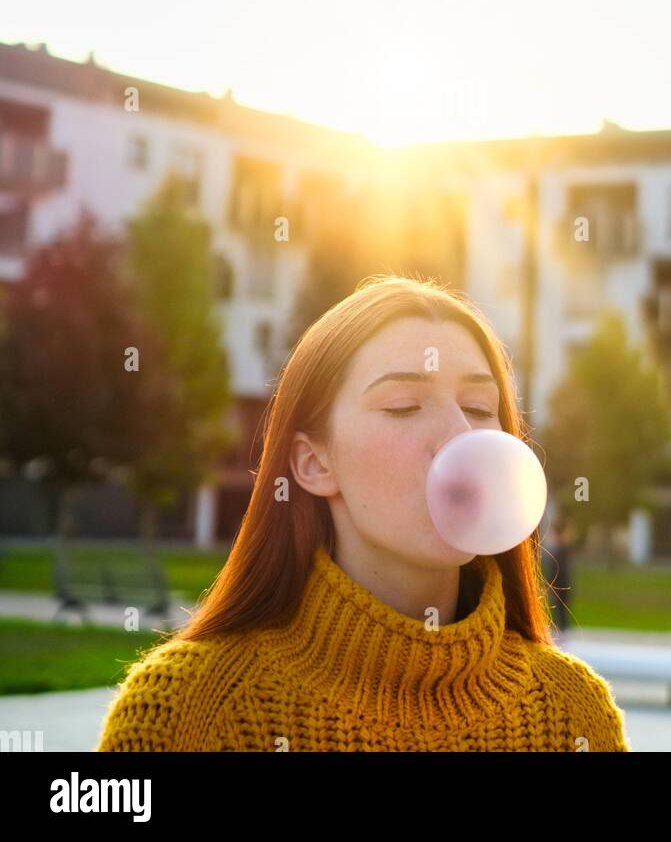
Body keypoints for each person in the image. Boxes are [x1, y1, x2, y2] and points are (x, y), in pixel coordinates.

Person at [96, 274, 630, 752]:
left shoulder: (574, 716)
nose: (460, 435)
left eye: (478, 408)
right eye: (402, 405)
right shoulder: (184, 715)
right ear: (313, 461)